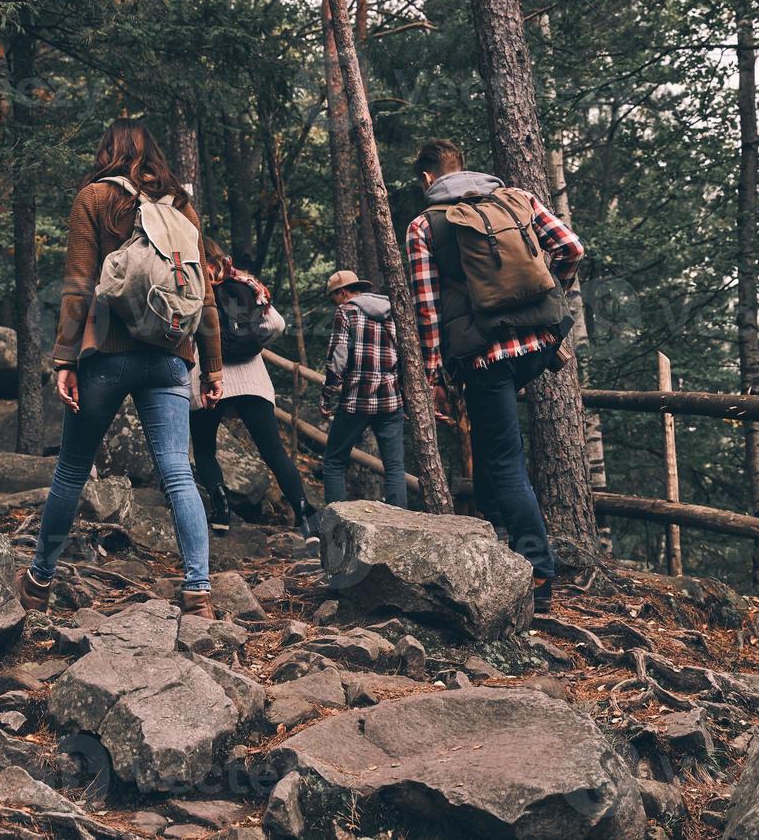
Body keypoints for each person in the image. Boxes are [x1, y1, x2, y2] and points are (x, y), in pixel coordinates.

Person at [16, 118, 224, 619]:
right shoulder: (180, 205)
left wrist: (66, 359)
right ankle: (199, 589)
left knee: (71, 468)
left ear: (107, 150)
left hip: (106, 355)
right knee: (178, 471)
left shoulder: (94, 198)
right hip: (170, 357)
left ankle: (40, 580)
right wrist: (212, 367)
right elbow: (204, 293)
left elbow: (78, 284)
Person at [405, 139, 583, 615]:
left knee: (504, 459)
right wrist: (552, 297)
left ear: (428, 180)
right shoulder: (518, 198)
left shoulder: (424, 225)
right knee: (490, 446)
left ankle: (539, 572)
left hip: (484, 355)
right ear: (464, 167)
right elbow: (571, 248)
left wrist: (435, 375)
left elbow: (428, 308)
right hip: (539, 343)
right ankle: (497, 541)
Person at [189, 239, 318, 536]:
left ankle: (220, 512)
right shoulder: (244, 283)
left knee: (205, 449)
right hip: (251, 378)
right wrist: (251, 343)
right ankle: (304, 514)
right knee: (274, 452)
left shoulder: (192, 286)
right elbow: (276, 324)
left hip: (207, 377)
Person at [320, 270, 408, 510]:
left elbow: (338, 358)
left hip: (356, 400)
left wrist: (327, 395)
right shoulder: (392, 311)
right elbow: (405, 356)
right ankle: (401, 527)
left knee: (334, 462)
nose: (334, 302)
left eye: (334, 297)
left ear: (343, 292)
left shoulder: (346, 311)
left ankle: (337, 526)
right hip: (390, 399)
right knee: (395, 468)